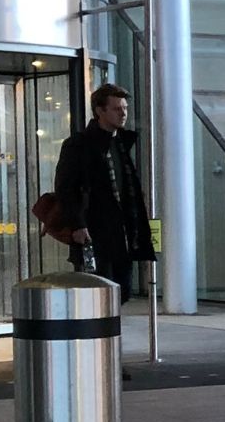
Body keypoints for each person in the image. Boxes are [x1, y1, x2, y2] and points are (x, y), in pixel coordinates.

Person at [54, 84, 154, 294]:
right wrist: (77, 225)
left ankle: (112, 325)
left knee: (122, 289)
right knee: (98, 288)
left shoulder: (121, 144)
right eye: (117, 108)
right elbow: (66, 187)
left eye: (124, 108)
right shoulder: (79, 145)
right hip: (94, 229)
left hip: (123, 230)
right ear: (100, 111)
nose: (123, 113)